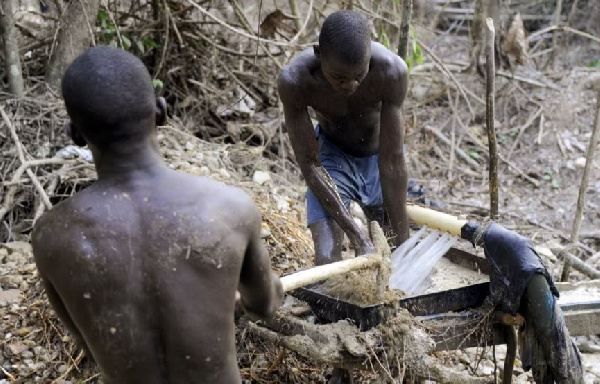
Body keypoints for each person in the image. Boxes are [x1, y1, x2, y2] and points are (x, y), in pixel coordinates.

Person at [31, 46, 283, 384]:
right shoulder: (230, 209)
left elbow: (90, 348)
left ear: (75, 135)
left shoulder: (53, 236)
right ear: (161, 111)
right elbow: (264, 306)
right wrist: (256, 291)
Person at [278, 10, 419, 268]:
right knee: (327, 259)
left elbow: (393, 159)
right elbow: (310, 163)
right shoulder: (295, 81)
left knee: (393, 252)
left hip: (380, 160)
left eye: (358, 75)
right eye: (340, 77)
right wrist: (357, 235)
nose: (350, 85)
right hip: (331, 158)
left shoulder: (391, 72)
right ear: (318, 54)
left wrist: (404, 247)